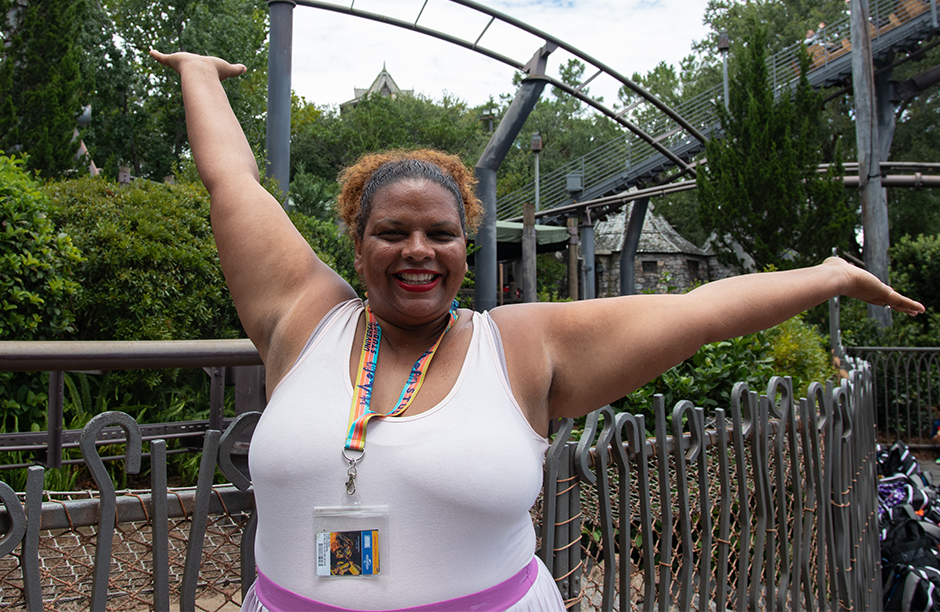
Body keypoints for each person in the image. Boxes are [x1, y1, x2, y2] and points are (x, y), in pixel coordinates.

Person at [149, 49, 924, 612]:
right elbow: (232, 182)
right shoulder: (304, 316)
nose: (417, 249)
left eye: (440, 233)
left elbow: (699, 311)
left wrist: (827, 274)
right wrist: (198, 73)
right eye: (392, 232)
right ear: (358, 245)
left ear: (466, 246)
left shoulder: (521, 347)